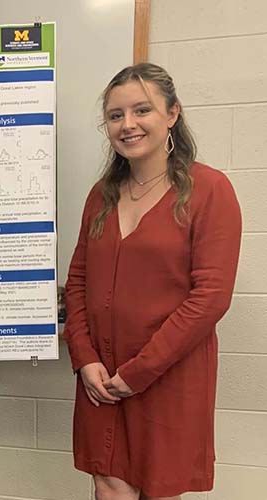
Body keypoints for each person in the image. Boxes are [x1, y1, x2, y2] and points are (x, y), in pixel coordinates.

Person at [63, 62, 242, 500]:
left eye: (141, 110)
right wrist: (84, 358)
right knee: (107, 482)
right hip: (100, 376)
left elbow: (211, 298)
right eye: (115, 115)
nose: (128, 125)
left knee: (159, 488)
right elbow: (79, 279)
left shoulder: (209, 190)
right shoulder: (101, 194)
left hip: (167, 375)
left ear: (172, 114)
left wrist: (138, 372)